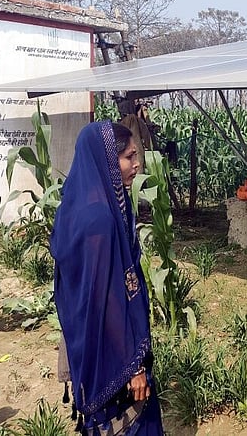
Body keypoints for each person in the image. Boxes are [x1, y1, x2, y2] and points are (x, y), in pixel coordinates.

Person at [51, 121, 163, 435]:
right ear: (106, 162)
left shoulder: (75, 207)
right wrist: (134, 367)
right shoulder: (99, 220)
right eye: (129, 157)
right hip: (113, 350)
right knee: (130, 422)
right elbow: (108, 299)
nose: (137, 164)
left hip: (86, 339)